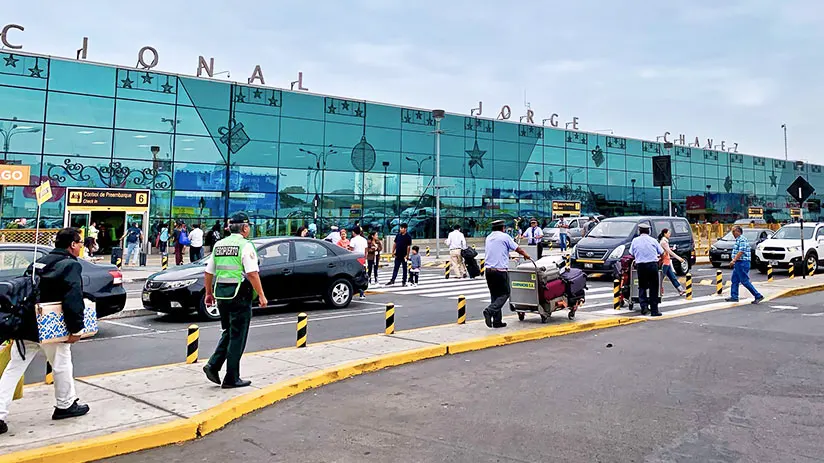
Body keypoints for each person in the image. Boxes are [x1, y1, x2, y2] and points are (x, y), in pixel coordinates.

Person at [0, 228, 90, 435]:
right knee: (61, 363)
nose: (81, 246)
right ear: (72, 245)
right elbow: (72, 299)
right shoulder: (71, 266)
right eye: (80, 242)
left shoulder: (39, 262)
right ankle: (65, 405)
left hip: (26, 324)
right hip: (50, 325)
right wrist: (76, 329)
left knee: (14, 368)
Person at [202, 212, 267, 389]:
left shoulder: (219, 245)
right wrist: (261, 295)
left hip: (222, 295)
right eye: (249, 227)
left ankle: (213, 366)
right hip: (239, 294)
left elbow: (208, 272)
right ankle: (232, 377)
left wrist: (209, 293)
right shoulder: (245, 245)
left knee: (229, 332)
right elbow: (252, 273)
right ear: (245, 228)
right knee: (238, 336)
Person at [482, 220, 532, 328]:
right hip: (500, 271)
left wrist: (507, 255)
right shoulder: (504, 237)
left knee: (495, 295)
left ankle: (497, 321)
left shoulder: (489, 237)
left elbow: (496, 251)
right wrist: (526, 255)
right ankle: (489, 311)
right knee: (505, 293)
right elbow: (517, 248)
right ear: (503, 228)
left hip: (488, 271)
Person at [629, 223, 664, 316]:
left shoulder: (635, 241)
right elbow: (661, 252)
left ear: (639, 231)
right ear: (649, 231)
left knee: (642, 286)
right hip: (652, 265)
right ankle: (654, 310)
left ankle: (643, 307)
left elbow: (631, 253)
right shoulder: (653, 240)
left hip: (641, 266)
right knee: (653, 287)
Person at [726, 226, 764, 304]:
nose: (733, 233)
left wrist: (734, 260)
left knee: (744, 281)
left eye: (734, 231)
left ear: (738, 232)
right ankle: (734, 296)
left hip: (742, 262)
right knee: (734, 280)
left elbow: (741, 251)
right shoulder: (738, 240)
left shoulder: (742, 239)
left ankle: (758, 295)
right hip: (738, 263)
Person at [659, 228, 686, 296]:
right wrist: (679, 258)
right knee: (661, 278)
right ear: (665, 234)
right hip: (664, 263)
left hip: (667, 262)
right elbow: (669, 252)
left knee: (672, 277)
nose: (669, 234)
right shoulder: (663, 242)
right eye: (668, 233)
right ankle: (658, 291)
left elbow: (667, 250)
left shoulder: (665, 241)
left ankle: (680, 290)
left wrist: (671, 248)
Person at [349, 227, 369, 299]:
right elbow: (366, 250)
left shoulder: (353, 240)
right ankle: (362, 293)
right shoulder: (364, 240)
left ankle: (353, 292)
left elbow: (351, 250)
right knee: (362, 276)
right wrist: (365, 258)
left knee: (354, 276)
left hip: (355, 259)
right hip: (362, 259)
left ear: (354, 232)